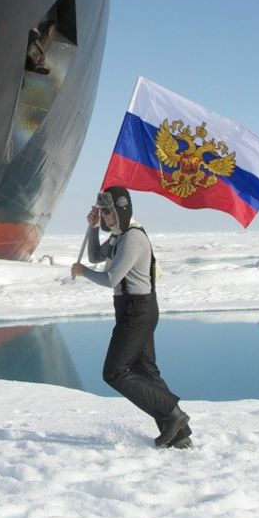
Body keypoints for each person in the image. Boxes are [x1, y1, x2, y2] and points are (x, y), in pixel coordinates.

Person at [71, 186, 192, 449]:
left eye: (109, 212)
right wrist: (93, 227)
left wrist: (83, 272)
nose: (105, 217)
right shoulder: (118, 237)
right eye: (102, 212)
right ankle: (180, 435)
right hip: (131, 308)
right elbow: (95, 255)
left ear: (122, 210)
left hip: (137, 310)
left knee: (114, 372)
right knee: (146, 371)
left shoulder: (132, 239)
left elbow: (111, 278)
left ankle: (173, 413)